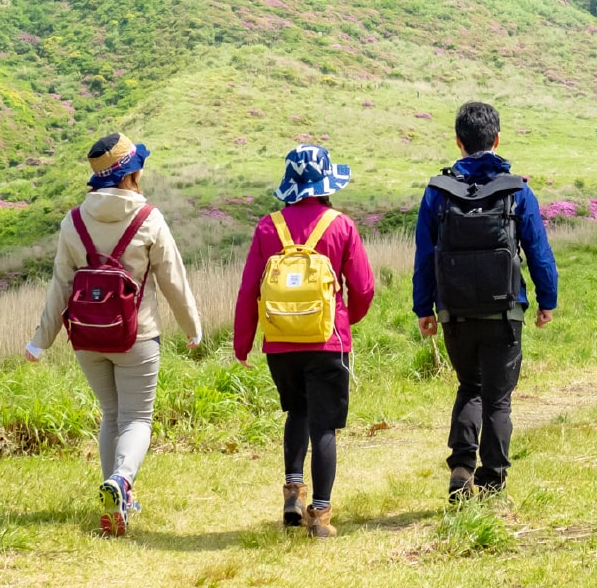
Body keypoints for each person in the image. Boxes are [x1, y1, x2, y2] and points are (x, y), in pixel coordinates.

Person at [26, 133, 202, 537]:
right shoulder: (149, 219)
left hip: (87, 337)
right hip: (136, 336)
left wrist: (41, 340)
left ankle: (117, 499)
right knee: (137, 417)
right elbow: (173, 280)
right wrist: (192, 327)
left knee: (111, 415)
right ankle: (121, 483)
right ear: (132, 173)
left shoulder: (73, 221)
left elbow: (60, 286)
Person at [414, 101, 558, 501]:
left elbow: (425, 256)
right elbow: (539, 252)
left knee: (469, 387)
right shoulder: (517, 190)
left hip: (455, 313)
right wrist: (547, 300)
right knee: (498, 397)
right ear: (497, 139)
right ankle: (492, 482)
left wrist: (423, 308)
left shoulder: (437, 193)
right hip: (504, 310)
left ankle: (461, 468)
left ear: (458, 142)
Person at [234, 146, 375, 538]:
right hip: (328, 341)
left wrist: (243, 342)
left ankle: (293, 490)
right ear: (327, 183)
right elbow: (362, 288)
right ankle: (322, 517)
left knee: (297, 412)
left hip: (280, 342)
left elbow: (249, 291)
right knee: (324, 426)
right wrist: (346, 323)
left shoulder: (268, 227)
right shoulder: (342, 225)